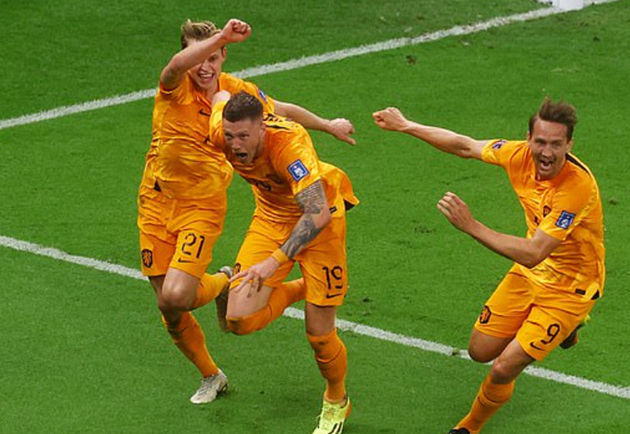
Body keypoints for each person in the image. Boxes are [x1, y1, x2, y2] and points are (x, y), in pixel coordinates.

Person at [137, 18, 356, 405]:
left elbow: (280, 110)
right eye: (198, 55)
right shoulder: (177, 87)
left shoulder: (236, 99)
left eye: (214, 57)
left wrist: (327, 125)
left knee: (176, 296)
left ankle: (228, 283)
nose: (204, 66)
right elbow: (174, 66)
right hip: (155, 201)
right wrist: (218, 38)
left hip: (202, 205)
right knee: (170, 307)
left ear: (224, 56)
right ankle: (211, 374)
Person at [373, 99, 605, 434]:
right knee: (479, 351)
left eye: (556, 144)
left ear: (569, 144)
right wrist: (407, 125)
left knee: (502, 368)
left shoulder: (577, 188)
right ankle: (565, 331)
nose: (546, 152)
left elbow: (534, 252)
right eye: (540, 141)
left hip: (571, 288)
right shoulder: (517, 155)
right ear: (528, 138)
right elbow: (465, 145)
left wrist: (471, 225)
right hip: (530, 276)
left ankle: (469, 427)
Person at [208, 90, 358, 434]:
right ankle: (306, 287)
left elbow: (316, 214)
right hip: (272, 218)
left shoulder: (290, 147)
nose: (235, 145)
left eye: (243, 136)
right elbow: (221, 96)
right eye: (230, 136)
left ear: (262, 127)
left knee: (320, 336)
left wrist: (274, 262)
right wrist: (329, 124)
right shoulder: (222, 129)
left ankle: (336, 400)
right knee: (238, 321)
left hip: (321, 221)